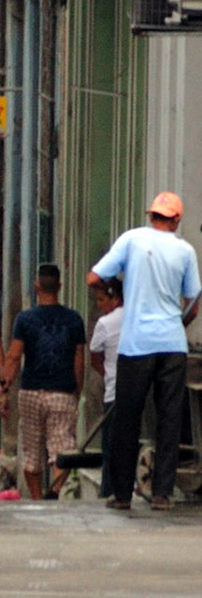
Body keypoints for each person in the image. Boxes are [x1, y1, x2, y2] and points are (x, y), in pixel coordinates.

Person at [88, 191, 202, 511]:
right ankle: (162, 494)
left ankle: (122, 495)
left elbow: (93, 277)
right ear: (177, 220)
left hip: (136, 344)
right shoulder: (185, 251)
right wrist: (177, 323)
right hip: (171, 345)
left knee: (128, 418)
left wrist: (124, 290)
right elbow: (193, 301)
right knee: (169, 420)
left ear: (151, 215)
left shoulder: (132, 239)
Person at [0, 263, 86, 499]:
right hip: (62, 392)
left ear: (37, 287)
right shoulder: (74, 320)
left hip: (31, 392)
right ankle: (56, 489)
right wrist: (77, 390)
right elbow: (79, 359)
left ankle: (38, 500)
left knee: (32, 451)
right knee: (63, 449)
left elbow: (14, 356)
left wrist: (4, 388)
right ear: (59, 286)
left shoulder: (25, 319)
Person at [88, 277, 124, 498]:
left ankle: (109, 490)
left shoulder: (105, 323)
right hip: (138, 390)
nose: (100, 305)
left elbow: (95, 357)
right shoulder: (138, 319)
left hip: (113, 390)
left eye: (102, 299)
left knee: (110, 445)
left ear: (114, 297)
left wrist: (108, 373)